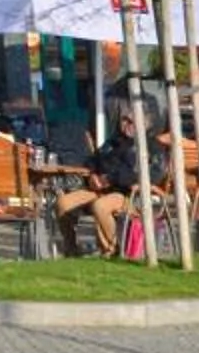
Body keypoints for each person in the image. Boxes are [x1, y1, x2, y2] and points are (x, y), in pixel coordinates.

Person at [53, 103, 149, 257]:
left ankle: (112, 249)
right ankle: (72, 250)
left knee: (100, 206)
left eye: (132, 122)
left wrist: (108, 179)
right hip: (96, 189)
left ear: (142, 125)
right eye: (124, 120)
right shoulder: (112, 142)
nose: (127, 125)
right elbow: (92, 160)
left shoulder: (142, 147)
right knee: (62, 203)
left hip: (124, 194)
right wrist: (92, 176)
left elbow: (135, 175)